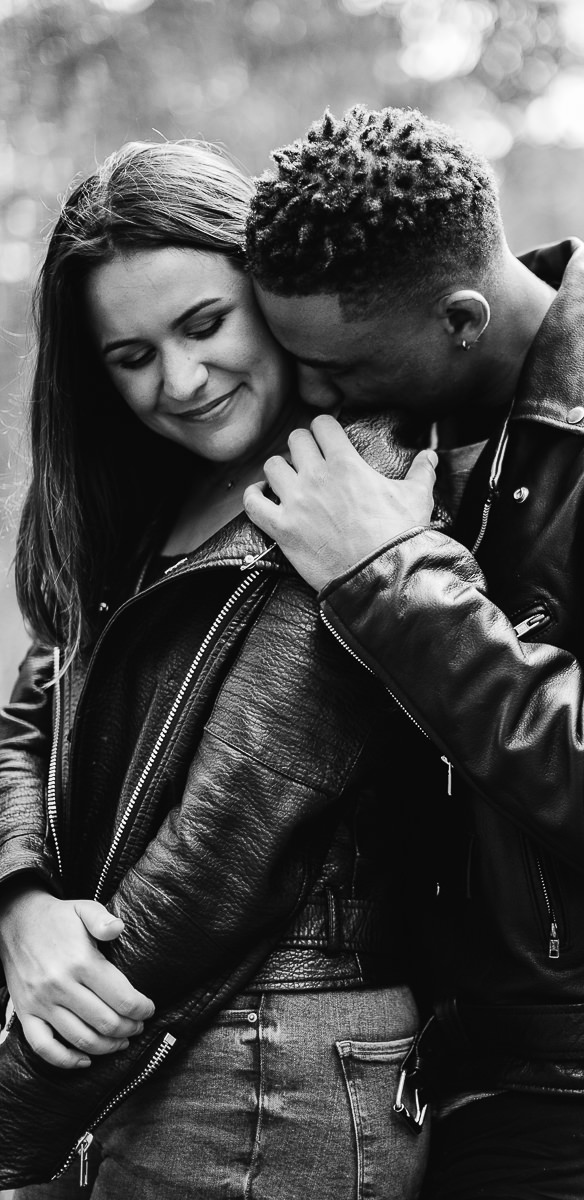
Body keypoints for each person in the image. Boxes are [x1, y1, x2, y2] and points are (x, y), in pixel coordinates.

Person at [242, 104, 584, 1200]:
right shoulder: (449, 428)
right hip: (454, 1059)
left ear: (458, 317)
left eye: (336, 367)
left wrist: (390, 576)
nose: (310, 394)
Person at [0, 139, 441, 1198]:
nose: (181, 381)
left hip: (268, 1061)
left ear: (270, 292)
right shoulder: (140, 503)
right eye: (131, 356)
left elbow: (235, 827)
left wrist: (18, 1100)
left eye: (204, 325)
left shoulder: (352, 475)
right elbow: (29, 716)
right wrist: (19, 904)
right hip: (124, 1043)